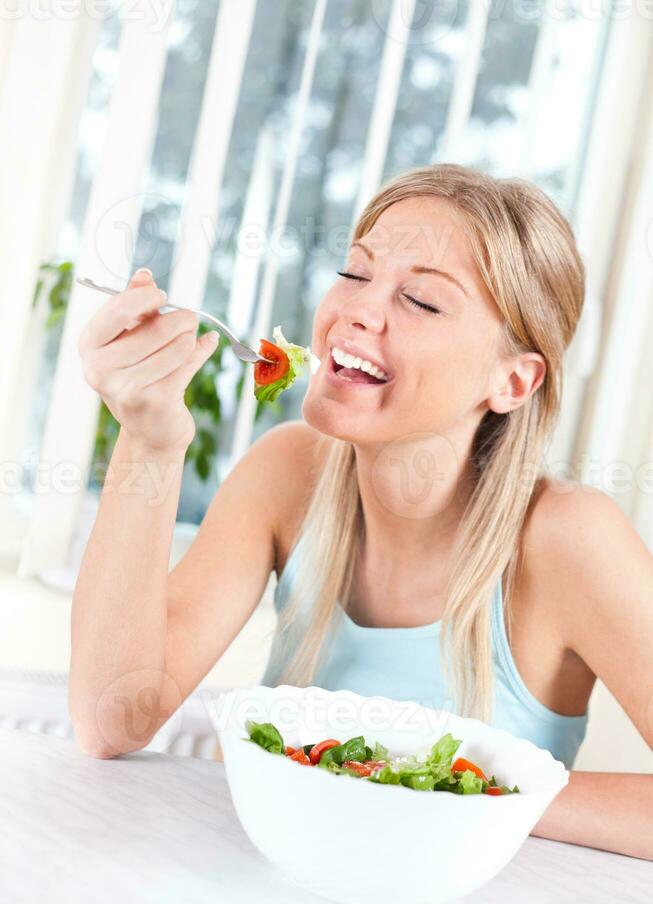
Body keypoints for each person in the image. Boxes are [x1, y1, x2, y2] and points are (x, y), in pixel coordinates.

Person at [70, 163, 652, 860]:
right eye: (354, 273)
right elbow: (112, 721)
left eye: (422, 302)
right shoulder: (287, 472)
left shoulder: (567, 540)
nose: (356, 310)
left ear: (513, 379)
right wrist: (149, 440)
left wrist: (445, 789)